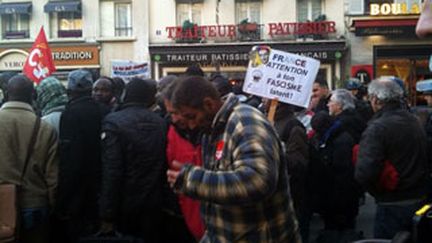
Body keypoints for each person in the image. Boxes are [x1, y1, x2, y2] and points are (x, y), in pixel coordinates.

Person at [167, 76, 302, 242]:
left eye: (191, 116)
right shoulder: (212, 130)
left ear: (209, 104)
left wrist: (194, 179)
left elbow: (257, 181)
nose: (191, 125)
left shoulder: (245, 122)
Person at [355, 77, 430, 239]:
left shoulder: (378, 127)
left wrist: (379, 191)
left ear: (375, 99)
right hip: (417, 198)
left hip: (392, 203)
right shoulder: (414, 120)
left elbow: (365, 172)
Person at [99, 78, 167, 242]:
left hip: (125, 202)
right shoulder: (161, 122)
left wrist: (107, 213)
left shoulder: (113, 121)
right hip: (156, 202)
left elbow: (112, 170)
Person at [0, 75, 58, 243]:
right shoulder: (45, 128)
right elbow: (53, 177)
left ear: (6, 94)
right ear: (33, 95)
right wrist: (53, 205)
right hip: (35, 204)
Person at [55, 69, 104, 242]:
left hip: (78, 189)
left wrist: (63, 195)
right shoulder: (102, 110)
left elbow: (70, 157)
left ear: (70, 90)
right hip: (98, 184)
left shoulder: (70, 113)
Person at [162, 80, 205, 242]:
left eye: (175, 113)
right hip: (184, 214)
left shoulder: (211, 132)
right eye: (170, 114)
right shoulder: (171, 130)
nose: (173, 119)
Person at [273, 103, 310, 243]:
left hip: (294, 194)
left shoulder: (293, 126)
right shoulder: (269, 120)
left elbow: (299, 163)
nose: (263, 99)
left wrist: (276, 155)